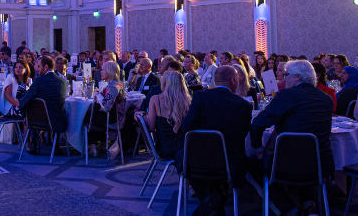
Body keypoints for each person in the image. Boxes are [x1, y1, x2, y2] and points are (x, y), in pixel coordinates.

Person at [250, 60, 335, 216]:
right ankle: (309, 205)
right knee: (303, 154)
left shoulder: (287, 95)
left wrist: (258, 147)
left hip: (285, 164)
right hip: (319, 165)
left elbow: (258, 123)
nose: (284, 79)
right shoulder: (326, 99)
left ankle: (289, 208)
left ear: (297, 77)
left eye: (286, 75)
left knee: (253, 163)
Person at [178, 66, 252, 216]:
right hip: (229, 161)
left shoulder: (200, 97)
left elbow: (186, 126)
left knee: (180, 156)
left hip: (197, 160)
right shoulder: (243, 105)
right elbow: (243, 135)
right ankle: (216, 196)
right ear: (233, 80)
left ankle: (211, 198)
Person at [17, 56, 68, 153]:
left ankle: (34, 144)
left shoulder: (38, 81)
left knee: (32, 106)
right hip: (57, 121)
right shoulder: (63, 82)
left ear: (46, 67)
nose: (37, 69)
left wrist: (25, 116)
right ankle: (55, 145)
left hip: (38, 121)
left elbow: (23, 101)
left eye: (39, 66)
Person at [140, 71, 191, 162]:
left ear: (165, 83)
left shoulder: (155, 99)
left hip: (165, 148)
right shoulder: (188, 100)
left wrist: (142, 117)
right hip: (186, 149)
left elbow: (151, 127)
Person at [86, 61, 126, 157]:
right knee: (90, 115)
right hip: (111, 117)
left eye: (103, 70)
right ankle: (102, 144)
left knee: (85, 117)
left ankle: (93, 147)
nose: (101, 72)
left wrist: (98, 95)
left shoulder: (114, 87)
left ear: (110, 71)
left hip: (113, 120)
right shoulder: (116, 84)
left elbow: (107, 106)